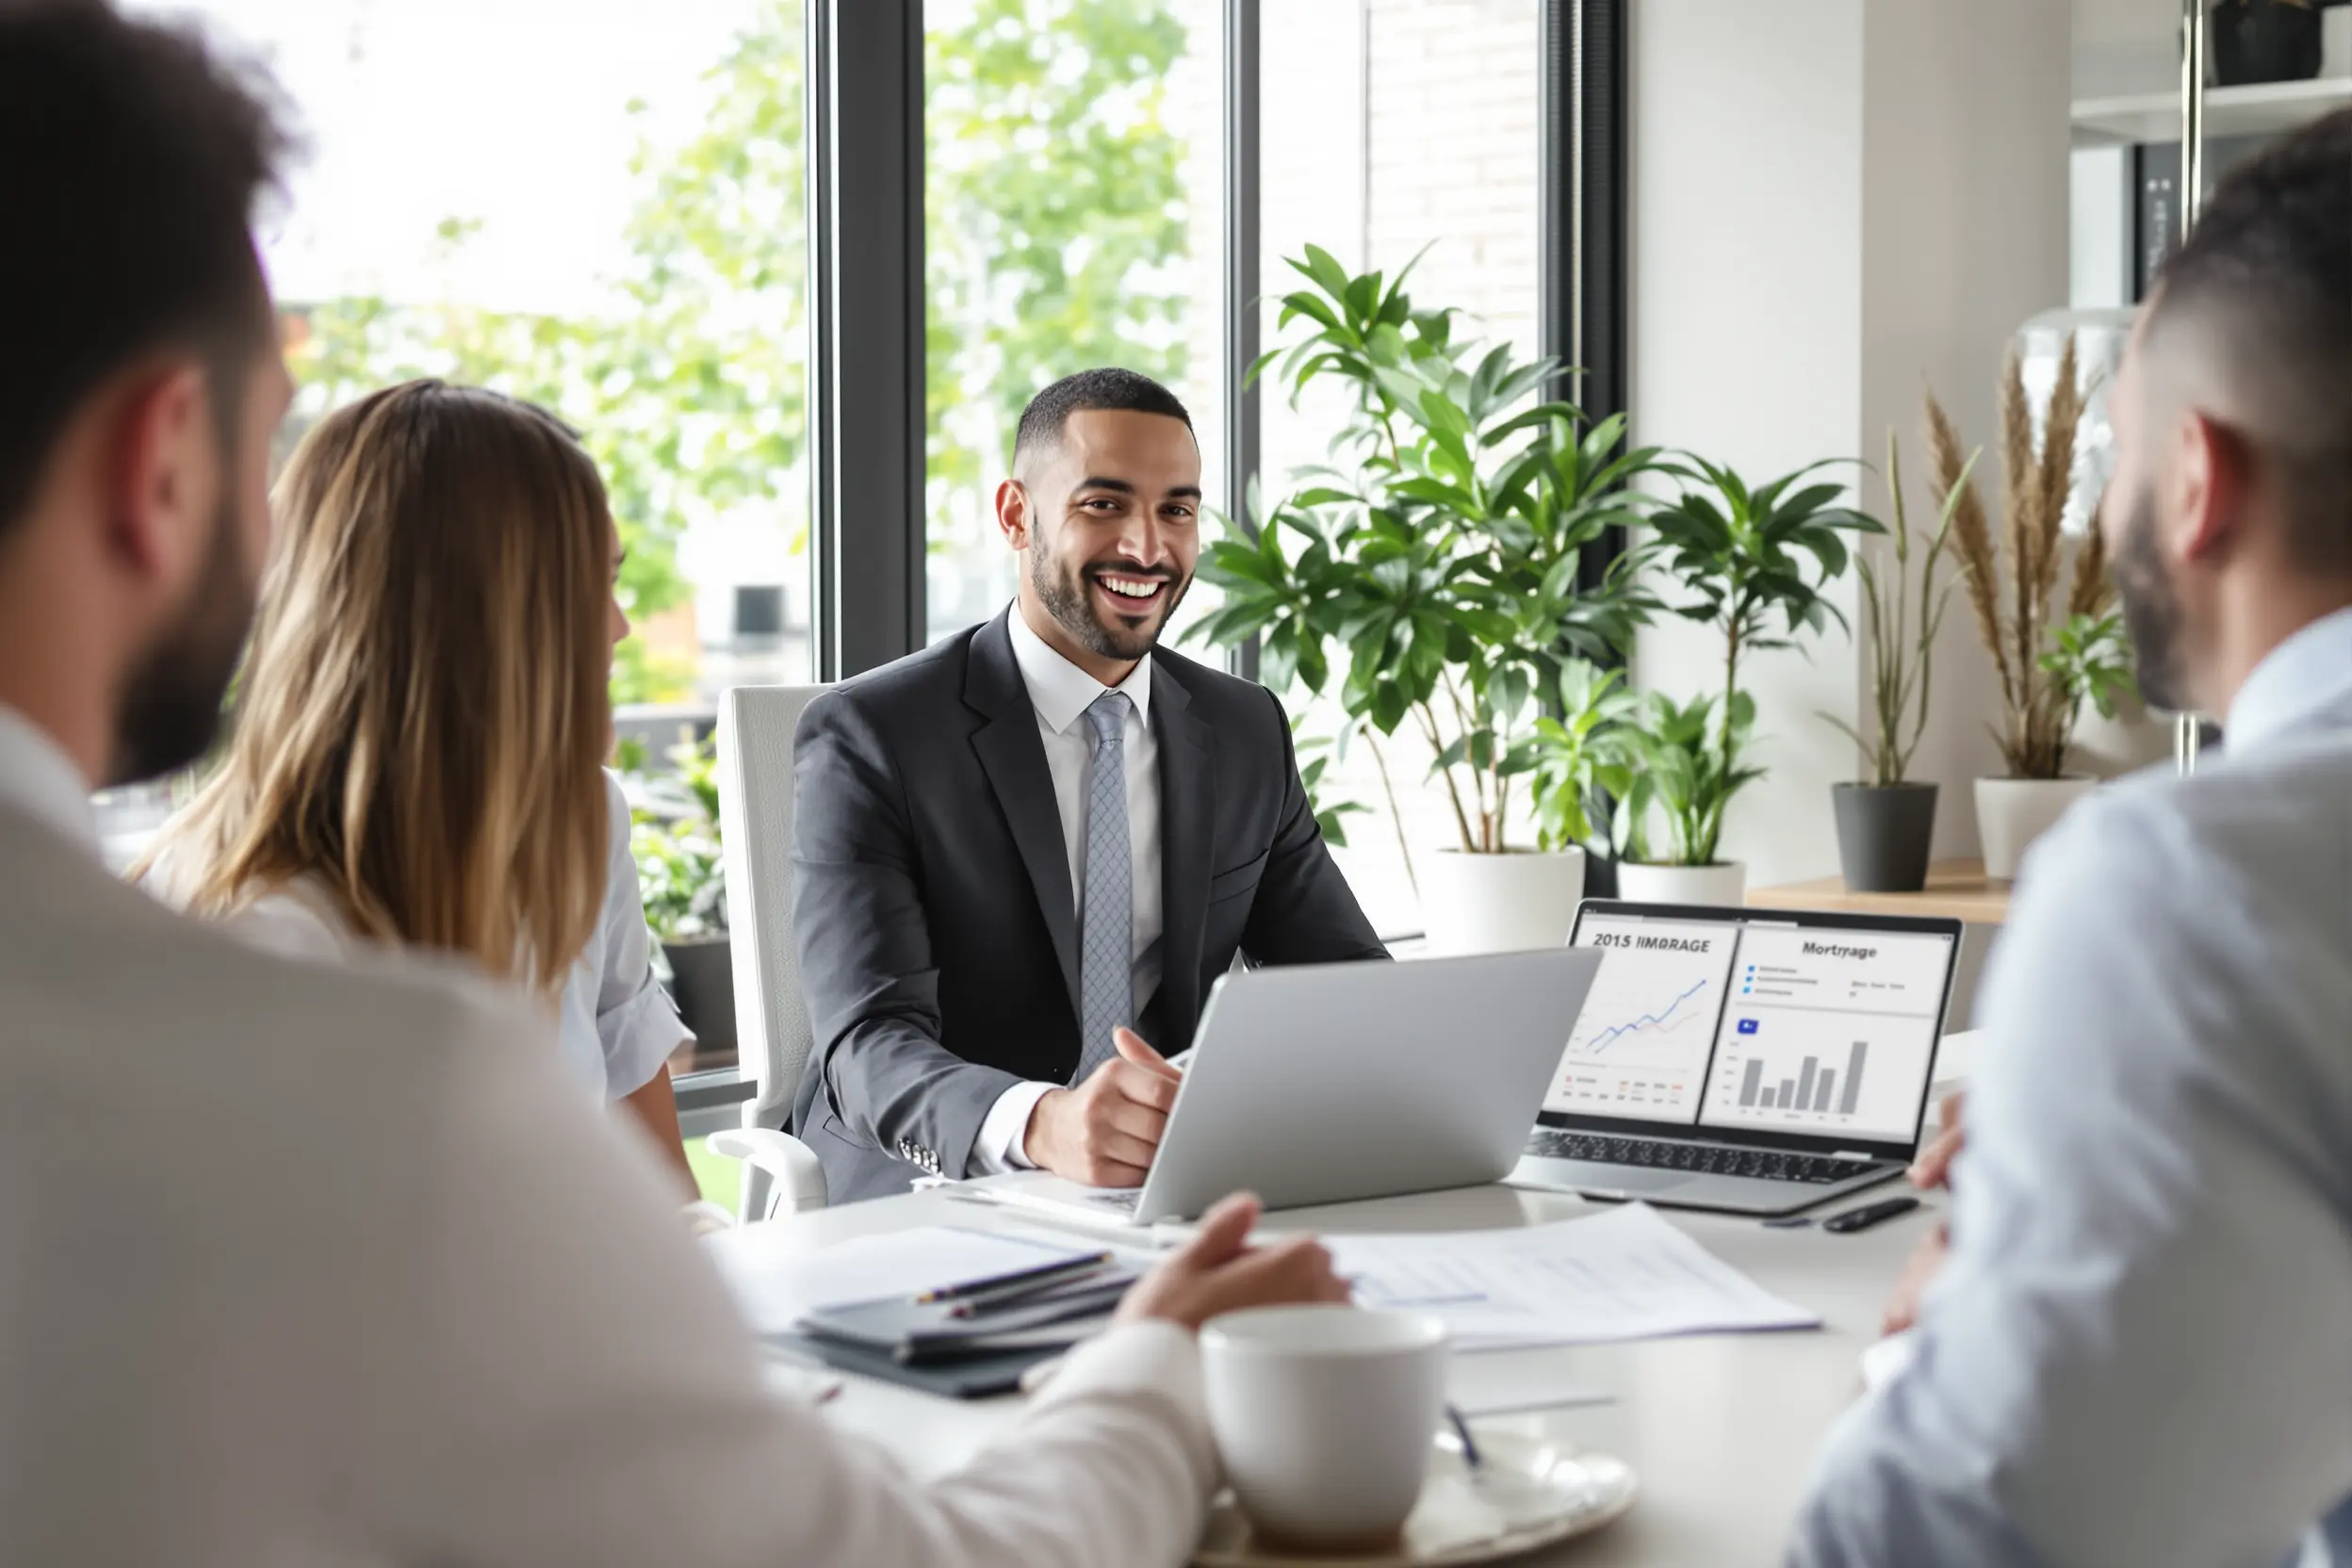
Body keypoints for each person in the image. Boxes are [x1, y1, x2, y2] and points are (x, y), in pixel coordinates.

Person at [0, 6, 1348, 1564]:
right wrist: (1156, 1365)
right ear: (159, 461)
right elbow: (857, 1062)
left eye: (1180, 507)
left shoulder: (540, 867)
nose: (1149, 543)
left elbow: (645, 1194)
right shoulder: (371, 1074)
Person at [1789, 107, 2352, 1568]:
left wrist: (1965, 1324)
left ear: (2196, 478)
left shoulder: (2196, 881)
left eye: (2111, 453)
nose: (2097, 513)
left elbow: (1975, 1541)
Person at [792, 368, 1389, 1202]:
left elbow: (1346, 982)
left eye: (1176, 510)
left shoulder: (1244, 727)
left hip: (1171, 1189)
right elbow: (867, 1044)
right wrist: (1045, 1125)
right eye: (1103, 504)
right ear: (1016, 515)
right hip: (943, 1187)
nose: (1147, 548)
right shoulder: (872, 736)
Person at [139, 379, 697, 1192]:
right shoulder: (267, 939)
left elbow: (634, 1100)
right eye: (586, 587)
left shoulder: (584, 817)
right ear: (471, 628)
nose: (618, 626)